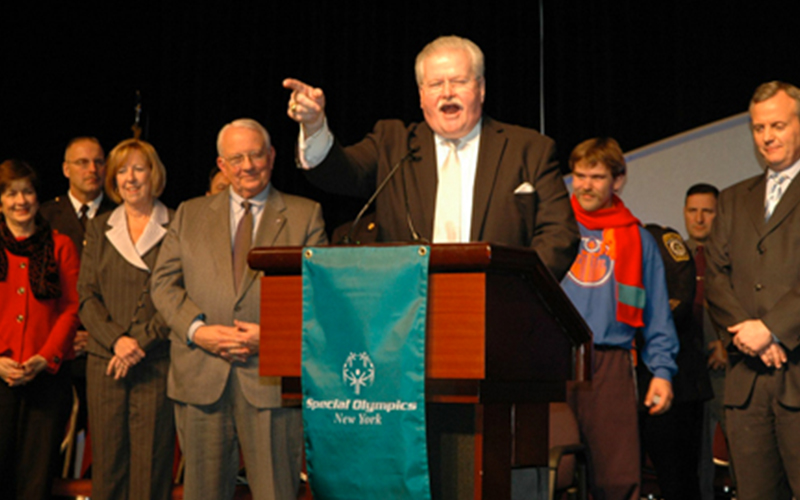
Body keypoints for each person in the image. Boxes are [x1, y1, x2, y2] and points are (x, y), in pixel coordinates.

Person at [283, 35, 578, 280]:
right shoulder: (393, 143)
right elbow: (340, 173)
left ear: (481, 89)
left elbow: (559, 235)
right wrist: (314, 125)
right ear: (421, 95)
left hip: (499, 307)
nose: (447, 93)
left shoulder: (528, 148)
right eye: (436, 85)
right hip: (409, 314)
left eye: (459, 81)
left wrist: (519, 287)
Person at [152, 118, 328, 500]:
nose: (247, 165)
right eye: (236, 158)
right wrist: (199, 331)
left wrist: (273, 337)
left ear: (272, 156)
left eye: (255, 154)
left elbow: (320, 295)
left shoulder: (305, 215)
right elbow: (163, 285)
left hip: (271, 382)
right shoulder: (188, 213)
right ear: (221, 165)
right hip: (201, 379)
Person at [561, 138, 678, 500]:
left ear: (618, 180)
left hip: (610, 363)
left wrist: (661, 371)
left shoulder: (639, 241)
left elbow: (658, 312)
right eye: (579, 175)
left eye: (596, 177)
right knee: (551, 469)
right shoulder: (553, 229)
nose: (584, 185)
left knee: (616, 476)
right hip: (553, 359)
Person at [705, 81, 800, 499]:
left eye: (777, 125)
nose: (767, 137)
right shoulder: (731, 199)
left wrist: (773, 328)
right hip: (747, 385)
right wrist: (752, 334)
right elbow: (716, 279)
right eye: (758, 127)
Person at [77, 139, 174, 500]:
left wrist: (138, 343)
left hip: (156, 362)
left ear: (155, 174)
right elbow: (87, 296)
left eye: (138, 168)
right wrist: (117, 340)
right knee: (107, 470)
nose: (130, 178)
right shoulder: (99, 228)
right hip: (106, 364)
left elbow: (177, 297)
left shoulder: (177, 224)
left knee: (152, 471)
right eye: (121, 170)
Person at [0, 159, 80, 500]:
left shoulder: (60, 245)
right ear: (0, 200)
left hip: (45, 377)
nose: (21, 201)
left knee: (36, 480)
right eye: (11, 193)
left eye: (28, 192)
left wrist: (44, 358)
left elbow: (71, 308)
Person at [40, 137, 117, 468]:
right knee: (49, 451)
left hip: (107, 348)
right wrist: (68, 336)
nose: (93, 169)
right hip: (54, 349)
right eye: (83, 162)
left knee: (104, 454)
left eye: (99, 162)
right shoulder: (44, 215)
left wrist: (99, 335)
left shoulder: (122, 215)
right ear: (65, 169)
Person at [636, 223, 711, 500]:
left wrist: (633, 323)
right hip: (621, 377)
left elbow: (679, 298)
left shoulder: (660, 238)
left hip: (676, 381)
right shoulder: (596, 241)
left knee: (678, 479)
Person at [683, 183, 734, 498]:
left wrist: (726, 342)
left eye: (707, 211)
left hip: (727, 370)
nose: (699, 218)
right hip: (686, 370)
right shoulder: (672, 255)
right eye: (692, 211)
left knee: (743, 450)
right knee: (693, 456)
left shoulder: (734, 256)